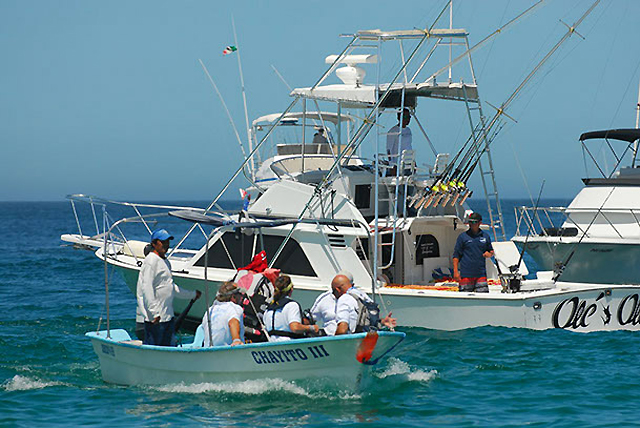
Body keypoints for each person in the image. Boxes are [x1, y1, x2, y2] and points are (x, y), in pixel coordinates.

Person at [136, 229, 201, 346]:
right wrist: (154, 312)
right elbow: (146, 288)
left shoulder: (165, 262)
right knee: (154, 350)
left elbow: (170, 287)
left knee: (169, 348)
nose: (166, 244)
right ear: (154, 244)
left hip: (168, 318)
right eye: (162, 242)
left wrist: (192, 294)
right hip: (156, 320)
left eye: (167, 241)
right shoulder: (151, 261)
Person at [310, 272, 396, 335]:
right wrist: (381, 321)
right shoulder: (360, 295)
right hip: (360, 337)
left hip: (341, 341)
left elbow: (342, 328)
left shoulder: (344, 298)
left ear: (337, 289)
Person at [263, 275, 319, 341]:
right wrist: (311, 328)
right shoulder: (292, 305)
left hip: (272, 345)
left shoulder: (268, 309)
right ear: (291, 289)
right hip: (289, 345)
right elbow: (295, 327)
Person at [452, 213, 495, 293]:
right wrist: (456, 272)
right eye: (470, 222)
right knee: (465, 299)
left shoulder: (485, 236)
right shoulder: (463, 237)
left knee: (483, 297)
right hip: (466, 275)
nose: (471, 224)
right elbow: (456, 255)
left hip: (481, 274)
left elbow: (491, 251)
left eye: (474, 222)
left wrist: (489, 254)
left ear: (479, 223)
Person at [201, 282, 246, 347]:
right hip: (228, 352)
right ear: (233, 296)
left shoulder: (209, 311)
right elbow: (233, 322)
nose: (242, 297)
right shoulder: (235, 308)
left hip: (208, 351)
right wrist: (236, 340)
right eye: (240, 295)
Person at [386, 108, 413, 175]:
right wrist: (392, 165)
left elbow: (409, 146)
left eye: (409, 117)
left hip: (408, 163)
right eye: (405, 117)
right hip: (397, 164)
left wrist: (413, 161)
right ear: (398, 117)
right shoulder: (393, 131)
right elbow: (389, 149)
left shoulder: (408, 130)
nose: (408, 119)